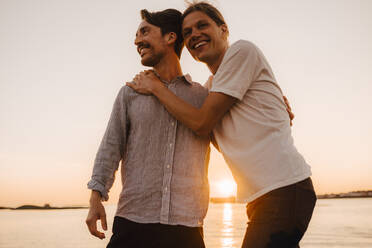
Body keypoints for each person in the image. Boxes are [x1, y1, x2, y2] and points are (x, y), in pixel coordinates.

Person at [127, 2, 316, 247]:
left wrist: (155, 87)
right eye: (188, 32)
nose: (195, 34)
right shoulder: (210, 90)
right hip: (260, 198)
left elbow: (201, 123)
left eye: (202, 25)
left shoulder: (242, 51)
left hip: (286, 189)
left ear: (223, 30)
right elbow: (192, 125)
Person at [86, 8, 210, 248]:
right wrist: (95, 198)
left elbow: (234, 133)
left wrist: (276, 104)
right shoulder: (130, 93)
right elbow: (110, 147)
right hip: (133, 221)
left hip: (187, 227)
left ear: (170, 37)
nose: (136, 41)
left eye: (144, 32)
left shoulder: (202, 97)